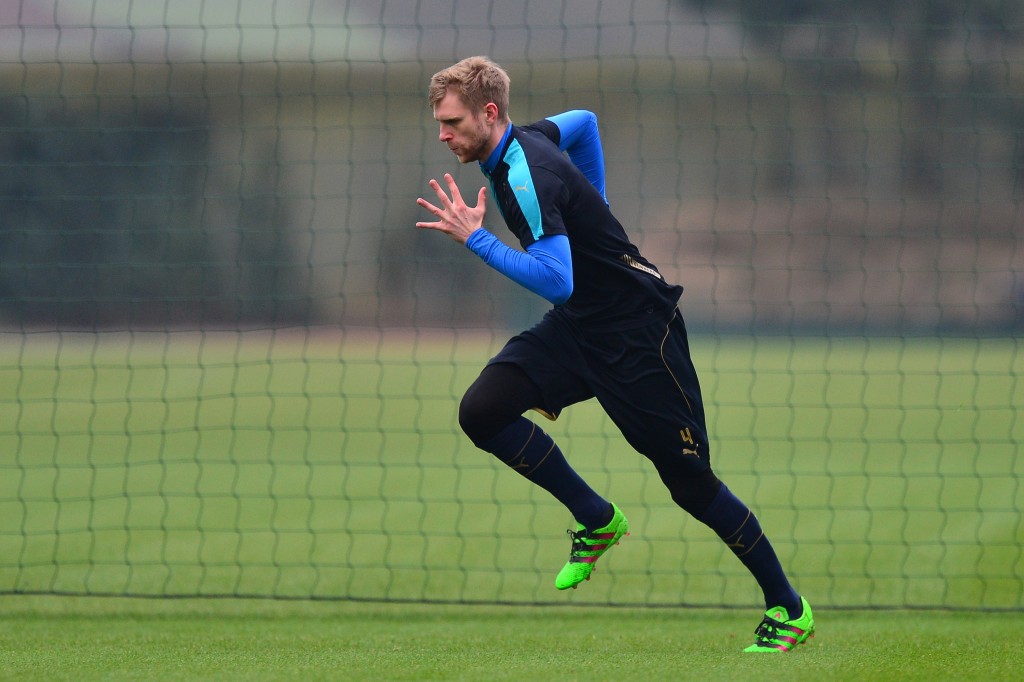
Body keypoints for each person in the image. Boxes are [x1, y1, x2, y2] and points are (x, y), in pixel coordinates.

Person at [415, 56, 814, 653]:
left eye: (451, 122)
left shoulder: (526, 177)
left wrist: (476, 239)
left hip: (636, 333)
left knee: (691, 486)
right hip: (582, 327)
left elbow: (557, 281)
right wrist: (594, 202)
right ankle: (596, 519)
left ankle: (789, 608)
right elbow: (584, 123)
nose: (442, 135)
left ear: (489, 113)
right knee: (483, 411)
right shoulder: (528, 140)